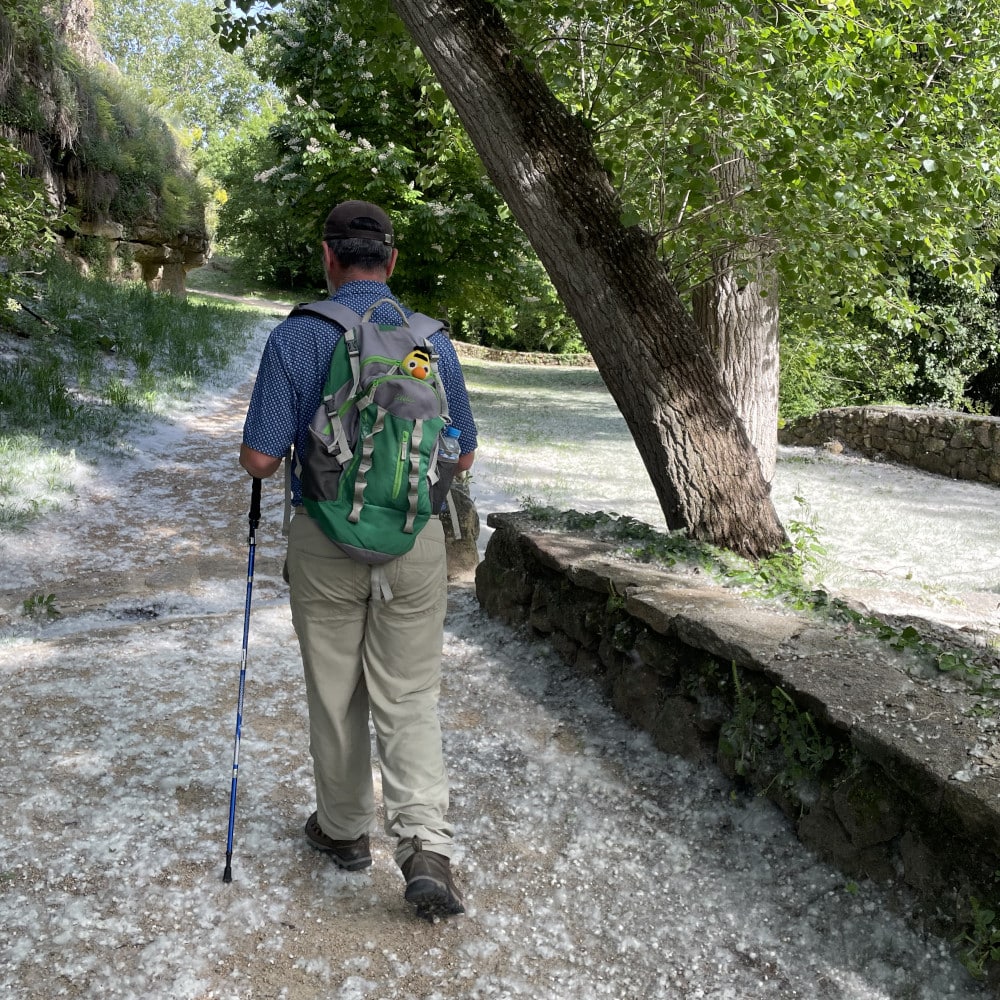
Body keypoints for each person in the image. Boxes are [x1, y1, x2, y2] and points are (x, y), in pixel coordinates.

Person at [239, 200, 477, 920]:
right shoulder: (429, 341)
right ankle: (425, 848)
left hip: (324, 538)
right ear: (392, 260)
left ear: (329, 257)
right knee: (408, 696)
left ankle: (343, 832)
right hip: (415, 538)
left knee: (337, 692)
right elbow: (461, 449)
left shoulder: (299, 337)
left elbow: (258, 457)